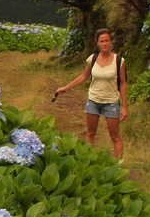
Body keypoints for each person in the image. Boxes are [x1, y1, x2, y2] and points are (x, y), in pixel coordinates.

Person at [53, 29, 129, 159]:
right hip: (93, 101)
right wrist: (66, 87)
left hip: (111, 102)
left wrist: (124, 106)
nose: (104, 43)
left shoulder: (119, 61)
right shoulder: (92, 59)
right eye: (102, 41)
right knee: (90, 133)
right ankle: (88, 161)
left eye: (107, 40)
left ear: (111, 42)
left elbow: (123, 83)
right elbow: (84, 76)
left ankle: (118, 167)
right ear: (97, 43)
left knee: (115, 136)